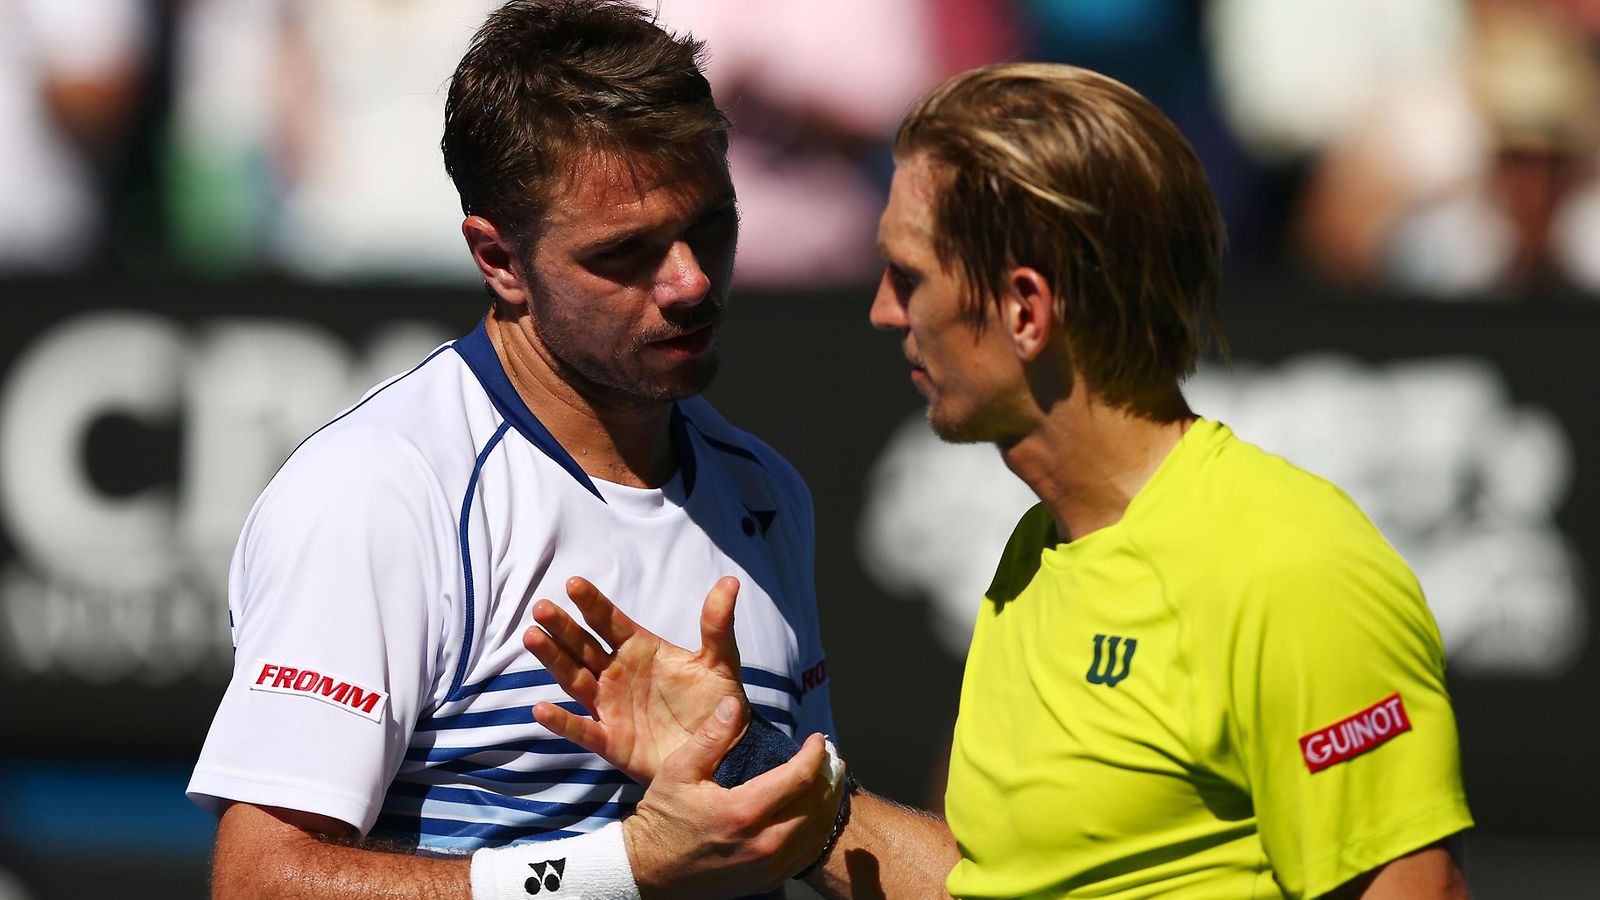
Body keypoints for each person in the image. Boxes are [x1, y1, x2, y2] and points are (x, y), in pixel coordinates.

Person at [525, 63, 1476, 898]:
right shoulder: (1038, 555)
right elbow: (984, 887)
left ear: (1026, 309)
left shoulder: (1288, 564)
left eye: (910, 276)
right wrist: (744, 760)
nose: (882, 312)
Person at [186, 2, 851, 897]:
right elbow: (259, 882)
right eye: (627, 254)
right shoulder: (378, 489)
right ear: (499, 259)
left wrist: (743, 761)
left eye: (712, 226)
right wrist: (624, 868)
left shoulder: (767, 491)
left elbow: (805, 845)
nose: (691, 281)